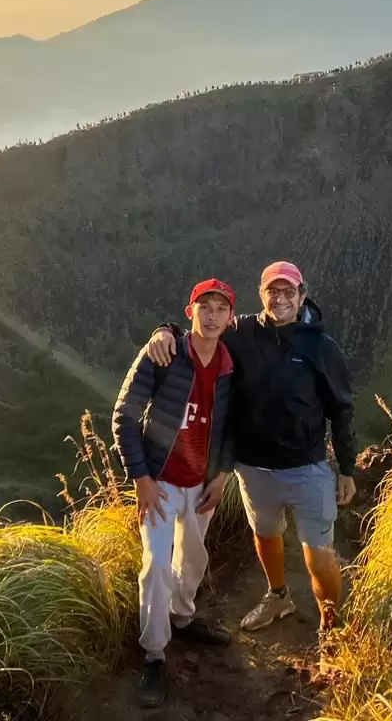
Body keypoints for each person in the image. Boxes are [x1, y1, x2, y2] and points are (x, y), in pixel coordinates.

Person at [147, 261, 357, 648]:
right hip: (253, 468)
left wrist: (347, 468)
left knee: (319, 554)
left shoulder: (321, 346)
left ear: (302, 296)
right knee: (265, 536)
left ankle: (332, 628)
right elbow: (201, 327)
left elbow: (341, 408)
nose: (280, 299)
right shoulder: (240, 331)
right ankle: (278, 598)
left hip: (307, 466)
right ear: (261, 295)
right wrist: (165, 330)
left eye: (288, 292)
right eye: (272, 292)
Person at [112, 278, 238, 709]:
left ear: (230, 317)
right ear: (190, 312)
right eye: (205, 306)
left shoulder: (230, 365)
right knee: (156, 566)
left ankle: (182, 619)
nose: (212, 314)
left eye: (221, 308)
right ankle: (154, 654)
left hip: (203, 483)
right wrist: (141, 478)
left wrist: (222, 476)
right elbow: (124, 417)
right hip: (161, 482)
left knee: (194, 557)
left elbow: (233, 426)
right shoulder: (163, 354)